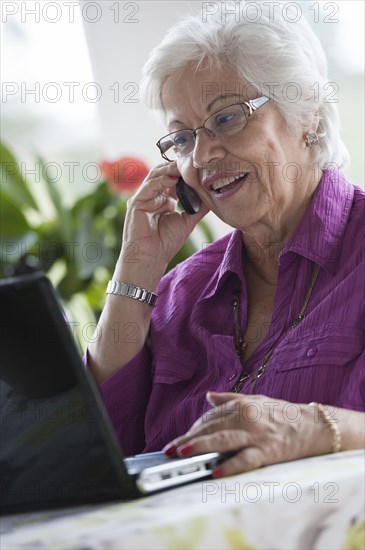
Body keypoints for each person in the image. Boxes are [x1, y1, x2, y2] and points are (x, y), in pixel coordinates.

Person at [87, 2, 365, 477]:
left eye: (227, 118)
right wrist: (135, 269)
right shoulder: (179, 292)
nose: (204, 153)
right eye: (183, 139)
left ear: (308, 115)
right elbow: (93, 449)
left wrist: (320, 429)